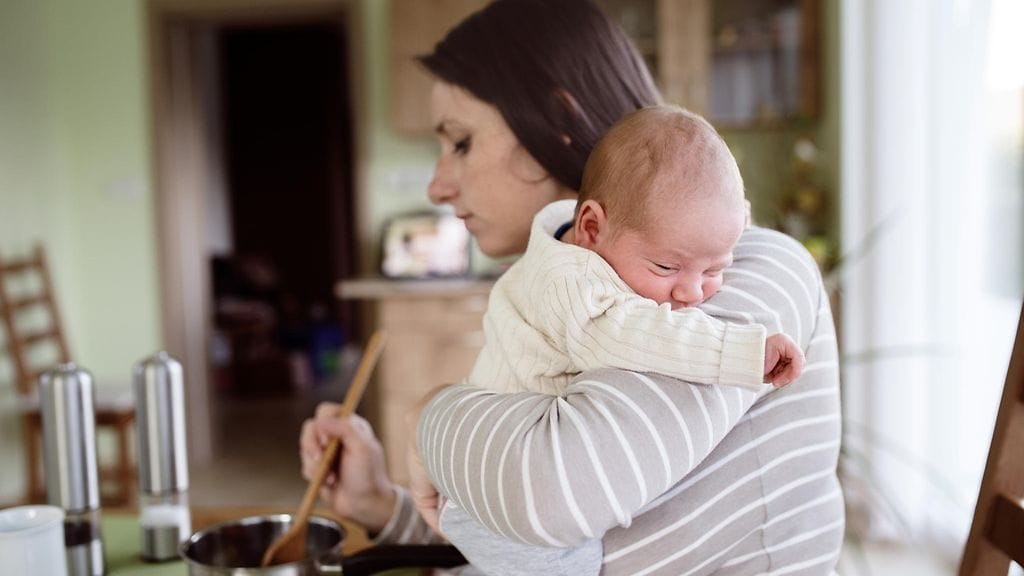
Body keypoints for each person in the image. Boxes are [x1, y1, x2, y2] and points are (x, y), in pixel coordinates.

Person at [299, 0, 844, 574]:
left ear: (555, 118)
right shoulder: (551, 291)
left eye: (460, 142)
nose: (436, 187)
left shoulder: (748, 275)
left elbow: (549, 495)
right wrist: (380, 505)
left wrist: (428, 418)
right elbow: (524, 547)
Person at [466, 104, 805, 404]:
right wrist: (743, 353)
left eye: (714, 269)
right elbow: (636, 335)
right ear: (592, 228)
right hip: (511, 434)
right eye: (666, 267)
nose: (692, 293)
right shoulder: (568, 286)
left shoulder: (615, 238)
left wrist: (734, 225)